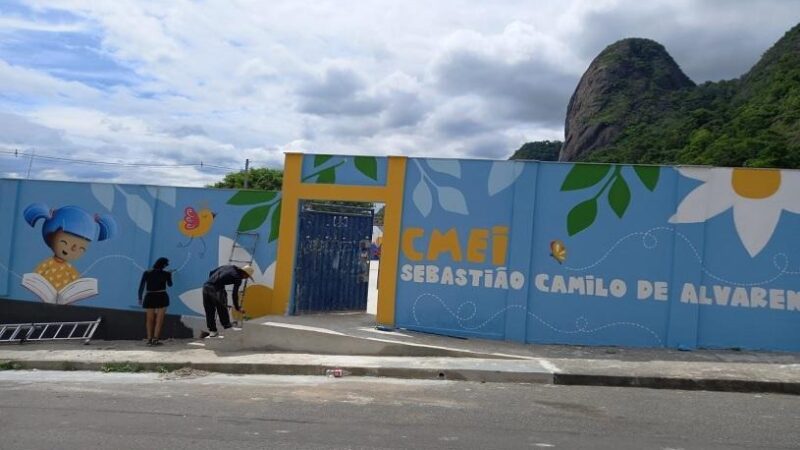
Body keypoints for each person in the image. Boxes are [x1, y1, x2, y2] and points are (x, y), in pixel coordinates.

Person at [200, 264, 254, 338]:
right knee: (222, 307)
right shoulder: (238, 278)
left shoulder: (229, 266)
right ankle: (227, 327)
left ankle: (212, 331)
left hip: (206, 287)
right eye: (247, 277)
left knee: (209, 310)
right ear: (245, 274)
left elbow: (211, 272)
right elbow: (234, 294)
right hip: (216, 289)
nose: (245, 278)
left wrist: (214, 283)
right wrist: (237, 308)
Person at [138, 257, 173, 346]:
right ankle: (155, 339)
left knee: (149, 319)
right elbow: (170, 285)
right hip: (162, 296)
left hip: (149, 296)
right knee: (159, 320)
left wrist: (140, 298)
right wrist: (170, 275)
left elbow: (141, 286)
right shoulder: (166, 274)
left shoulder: (147, 272)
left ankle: (149, 339)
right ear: (164, 265)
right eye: (166, 264)